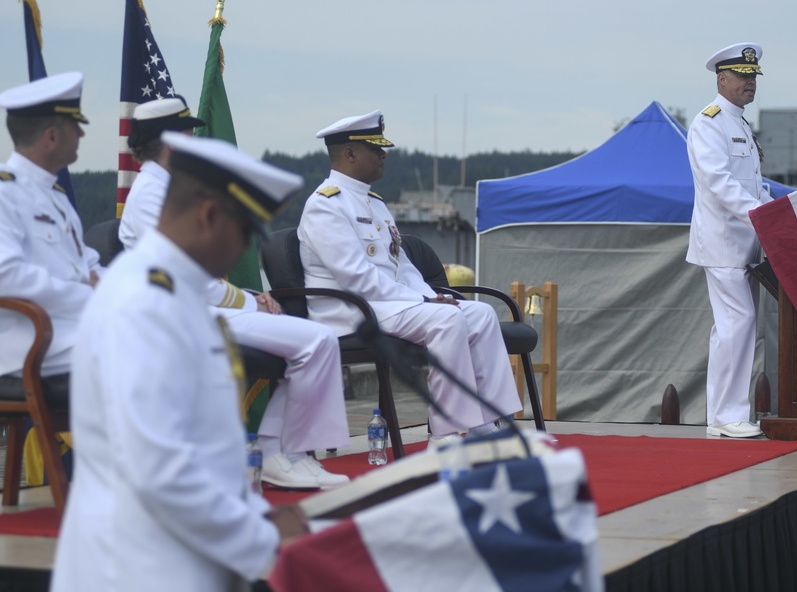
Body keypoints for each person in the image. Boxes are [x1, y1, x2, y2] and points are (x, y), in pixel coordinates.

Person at [52, 133, 311, 591]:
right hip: (134, 569)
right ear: (211, 215)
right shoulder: (144, 303)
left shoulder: (178, 295)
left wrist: (258, 515)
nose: (242, 253)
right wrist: (263, 540)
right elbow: (160, 470)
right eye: (246, 235)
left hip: (180, 558)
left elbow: (209, 452)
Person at [119, 97, 349, 490]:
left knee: (318, 341)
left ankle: (279, 451)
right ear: (173, 143)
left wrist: (244, 293)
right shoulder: (153, 195)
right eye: (190, 133)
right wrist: (248, 298)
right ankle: (279, 452)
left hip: (201, 304)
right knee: (317, 340)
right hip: (177, 312)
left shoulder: (168, 187)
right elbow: (183, 271)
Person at [298, 110, 522, 439]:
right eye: (375, 149)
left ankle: (489, 424)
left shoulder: (375, 203)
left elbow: (400, 264)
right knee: (446, 320)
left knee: (480, 313)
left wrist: (430, 295)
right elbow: (356, 277)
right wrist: (424, 302)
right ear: (349, 153)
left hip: (387, 304)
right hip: (350, 309)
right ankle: (448, 434)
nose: (382, 155)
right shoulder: (325, 205)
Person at [686, 43, 772, 438]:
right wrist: (759, 214)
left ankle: (724, 416)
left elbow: (754, 185)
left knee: (736, 327)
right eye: (742, 75)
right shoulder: (710, 122)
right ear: (722, 79)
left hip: (748, 243)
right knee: (737, 323)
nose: (749, 82)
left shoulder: (740, 125)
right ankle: (726, 416)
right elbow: (718, 181)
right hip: (723, 241)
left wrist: (774, 213)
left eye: (753, 76)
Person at [0, 72, 101, 391]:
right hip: (28, 342)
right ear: (52, 137)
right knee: (156, 352)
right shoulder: (5, 194)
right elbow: (5, 276)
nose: (82, 135)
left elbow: (88, 266)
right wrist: (88, 294)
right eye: (75, 126)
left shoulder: (55, 196)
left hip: (71, 330)